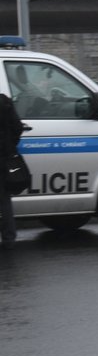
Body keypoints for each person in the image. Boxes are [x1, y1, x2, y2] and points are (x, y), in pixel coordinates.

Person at [0, 92, 24, 246]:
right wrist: (9, 146)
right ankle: (9, 238)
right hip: (4, 157)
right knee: (4, 199)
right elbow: (18, 127)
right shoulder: (4, 102)